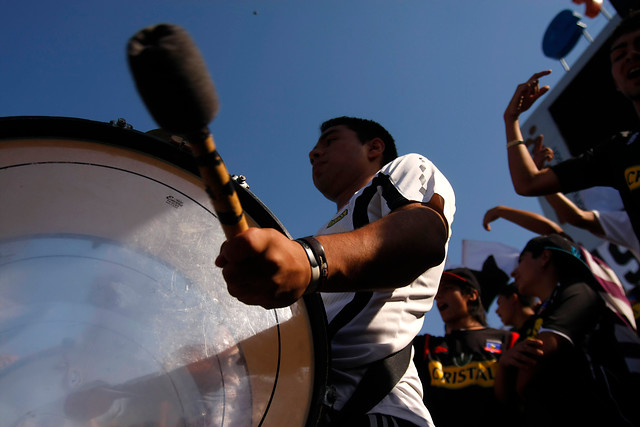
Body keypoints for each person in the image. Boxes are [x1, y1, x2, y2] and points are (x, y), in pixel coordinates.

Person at [216, 116, 456, 426]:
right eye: (314, 148)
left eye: (329, 141)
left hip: (378, 412)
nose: (313, 153)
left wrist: (307, 260)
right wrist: (223, 360)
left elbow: (424, 237)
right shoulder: (327, 233)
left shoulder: (403, 168)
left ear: (374, 148)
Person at [502, 12, 640, 243]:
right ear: (615, 81)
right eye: (620, 55)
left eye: (639, 45)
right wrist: (511, 119)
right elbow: (528, 183)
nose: (631, 56)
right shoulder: (620, 151)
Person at [495, 235, 640, 427]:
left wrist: (513, 371)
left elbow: (525, 379)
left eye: (521, 261)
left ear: (545, 257)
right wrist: (505, 364)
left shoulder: (579, 293)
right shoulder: (535, 320)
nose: (514, 272)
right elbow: (506, 399)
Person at [413, 268, 519, 427]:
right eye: (437, 291)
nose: (438, 296)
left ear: (472, 295)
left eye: (447, 289)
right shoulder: (425, 346)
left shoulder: (508, 340)